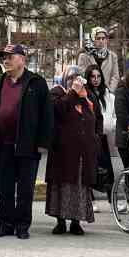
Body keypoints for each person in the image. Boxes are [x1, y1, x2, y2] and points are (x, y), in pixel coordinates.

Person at [0, 44, 52, 239]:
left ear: (22, 59)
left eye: (10, 57)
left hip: (27, 144)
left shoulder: (36, 83)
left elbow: (46, 115)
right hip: (3, 144)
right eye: (3, 57)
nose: (6, 60)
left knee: (25, 189)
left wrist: (42, 142)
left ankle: (22, 225)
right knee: (4, 187)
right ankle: (5, 224)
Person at [45, 72, 100, 235]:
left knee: (79, 185)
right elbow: (59, 110)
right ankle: (60, 221)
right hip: (62, 151)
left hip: (83, 151)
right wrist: (72, 93)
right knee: (60, 185)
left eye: (77, 79)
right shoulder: (57, 93)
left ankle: (76, 221)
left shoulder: (86, 96)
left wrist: (96, 138)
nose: (75, 82)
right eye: (71, 79)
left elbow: (97, 116)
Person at [83, 62, 116, 199]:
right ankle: (91, 198)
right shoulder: (84, 94)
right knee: (90, 167)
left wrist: (111, 124)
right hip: (89, 135)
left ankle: (111, 197)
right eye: (92, 77)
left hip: (102, 135)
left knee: (107, 168)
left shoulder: (107, 95)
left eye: (98, 76)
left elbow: (113, 114)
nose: (96, 79)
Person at [75, 28, 121, 93]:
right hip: (89, 93)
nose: (101, 41)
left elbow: (115, 76)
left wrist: (110, 90)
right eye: (98, 38)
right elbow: (81, 75)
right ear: (93, 40)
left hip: (106, 92)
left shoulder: (112, 56)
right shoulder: (84, 56)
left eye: (103, 38)